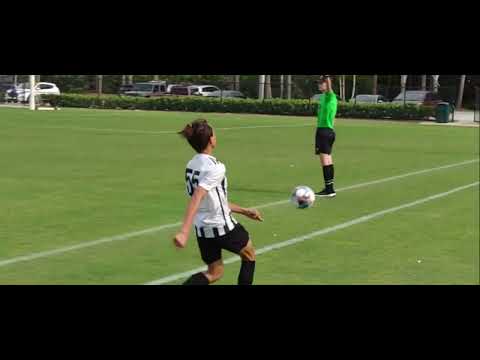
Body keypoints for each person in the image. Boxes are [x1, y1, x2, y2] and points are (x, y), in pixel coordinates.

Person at [174, 119, 263, 285]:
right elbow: (197, 197)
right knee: (249, 254)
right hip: (221, 226)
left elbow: (214, 200)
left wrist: (244, 210)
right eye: (214, 133)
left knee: (214, 272)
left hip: (202, 229)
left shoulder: (191, 164)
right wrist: (183, 232)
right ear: (211, 140)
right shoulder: (216, 167)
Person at [315, 75, 338, 197]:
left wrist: (327, 77)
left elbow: (329, 87)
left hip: (324, 131)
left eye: (321, 82)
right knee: (328, 159)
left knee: (324, 160)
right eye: (318, 83)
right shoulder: (323, 97)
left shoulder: (330, 95)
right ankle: (329, 188)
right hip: (326, 131)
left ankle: (329, 190)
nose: (319, 84)